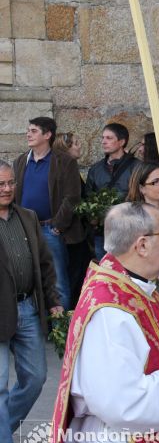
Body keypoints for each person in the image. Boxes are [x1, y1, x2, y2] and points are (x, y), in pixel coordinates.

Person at [45, 202, 159, 443]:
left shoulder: (136, 289)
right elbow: (120, 403)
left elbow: (153, 347)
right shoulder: (110, 310)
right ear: (142, 245)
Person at [0, 160, 62, 443]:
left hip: (27, 307)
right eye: (1, 185)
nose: (8, 189)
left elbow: (46, 264)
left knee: (36, 378)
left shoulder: (27, 216)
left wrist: (53, 300)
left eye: (11, 183)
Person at [13, 117, 84, 310]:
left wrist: (57, 226)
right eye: (28, 130)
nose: (28, 134)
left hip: (49, 230)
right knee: (27, 279)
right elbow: (13, 195)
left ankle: (61, 333)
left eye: (34, 131)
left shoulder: (64, 162)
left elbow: (72, 198)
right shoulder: (20, 161)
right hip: (24, 229)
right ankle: (39, 327)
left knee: (58, 282)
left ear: (47, 135)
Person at [86, 123, 140, 261]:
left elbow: (142, 197)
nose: (104, 141)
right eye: (103, 138)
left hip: (130, 231)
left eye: (109, 138)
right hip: (103, 232)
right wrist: (93, 216)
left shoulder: (137, 167)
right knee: (105, 272)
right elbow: (88, 196)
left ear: (121, 142)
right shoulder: (95, 169)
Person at [52, 132, 93, 308]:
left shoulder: (68, 169)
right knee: (73, 280)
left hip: (74, 234)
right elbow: (71, 201)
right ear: (65, 148)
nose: (79, 146)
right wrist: (59, 226)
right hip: (71, 236)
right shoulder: (66, 170)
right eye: (75, 143)